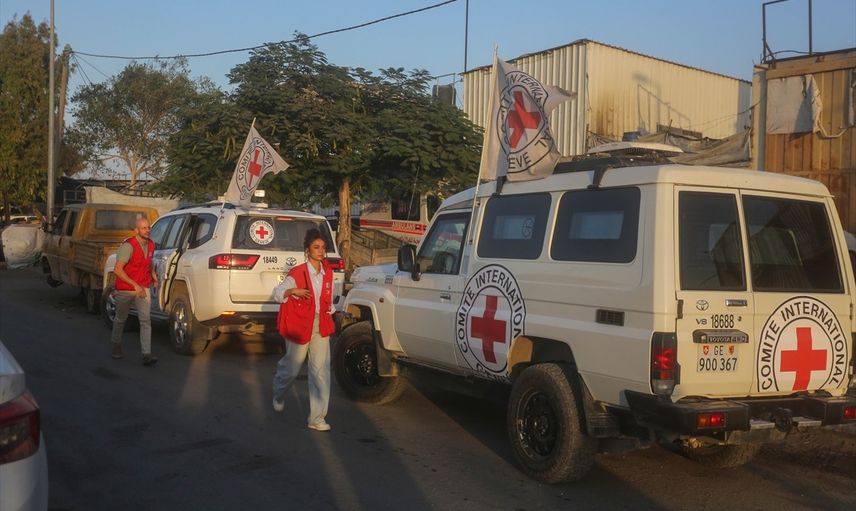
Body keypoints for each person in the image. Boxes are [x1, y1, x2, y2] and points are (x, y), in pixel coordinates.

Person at [272, 228, 337, 432]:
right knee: (293, 367)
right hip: (300, 324)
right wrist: (293, 291)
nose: (321, 251)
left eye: (323, 247)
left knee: (321, 371)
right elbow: (278, 293)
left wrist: (331, 309)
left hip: (320, 323)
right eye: (316, 247)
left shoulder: (328, 272)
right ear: (307, 250)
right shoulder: (298, 272)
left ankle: (317, 418)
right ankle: (279, 393)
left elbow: (328, 298)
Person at [110, 217, 158, 367]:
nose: (147, 230)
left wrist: (153, 274)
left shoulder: (151, 244)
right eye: (143, 228)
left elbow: (148, 261)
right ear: (136, 230)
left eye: (148, 227)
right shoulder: (128, 246)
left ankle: (146, 354)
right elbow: (117, 270)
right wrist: (135, 286)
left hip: (143, 286)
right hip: (125, 288)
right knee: (121, 319)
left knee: (145, 321)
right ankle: (116, 345)